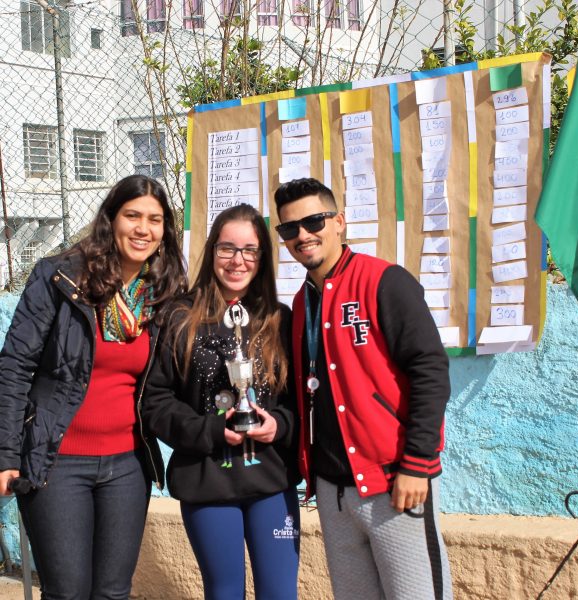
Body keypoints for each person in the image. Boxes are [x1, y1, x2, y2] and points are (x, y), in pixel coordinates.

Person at [0, 174, 186, 600]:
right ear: (111, 219)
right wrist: (6, 455)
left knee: (113, 592)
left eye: (154, 219)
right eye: (132, 216)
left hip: (128, 465)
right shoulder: (61, 278)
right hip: (56, 462)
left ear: (165, 230)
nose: (143, 229)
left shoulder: (163, 293)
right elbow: (15, 366)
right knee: (67, 592)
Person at [274, 178, 453, 600]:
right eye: (289, 228)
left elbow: (430, 370)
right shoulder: (301, 303)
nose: (303, 235)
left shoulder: (385, 281)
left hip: (393, 481)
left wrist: (417, 464)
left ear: (339, 221)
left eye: (314, 221)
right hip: (333, 491)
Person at [143, 203, 300, 600]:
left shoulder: (281, 319)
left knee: (280, 593)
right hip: (207, 481)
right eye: (227, 248)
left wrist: (279, 425)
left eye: (249, 250)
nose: (237, 260)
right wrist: (211, 430)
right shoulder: (179, 317)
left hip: (272, 482)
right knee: (225, 592)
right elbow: (156, 401)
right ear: (212, 250)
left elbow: (301, 402)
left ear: (262, 257)